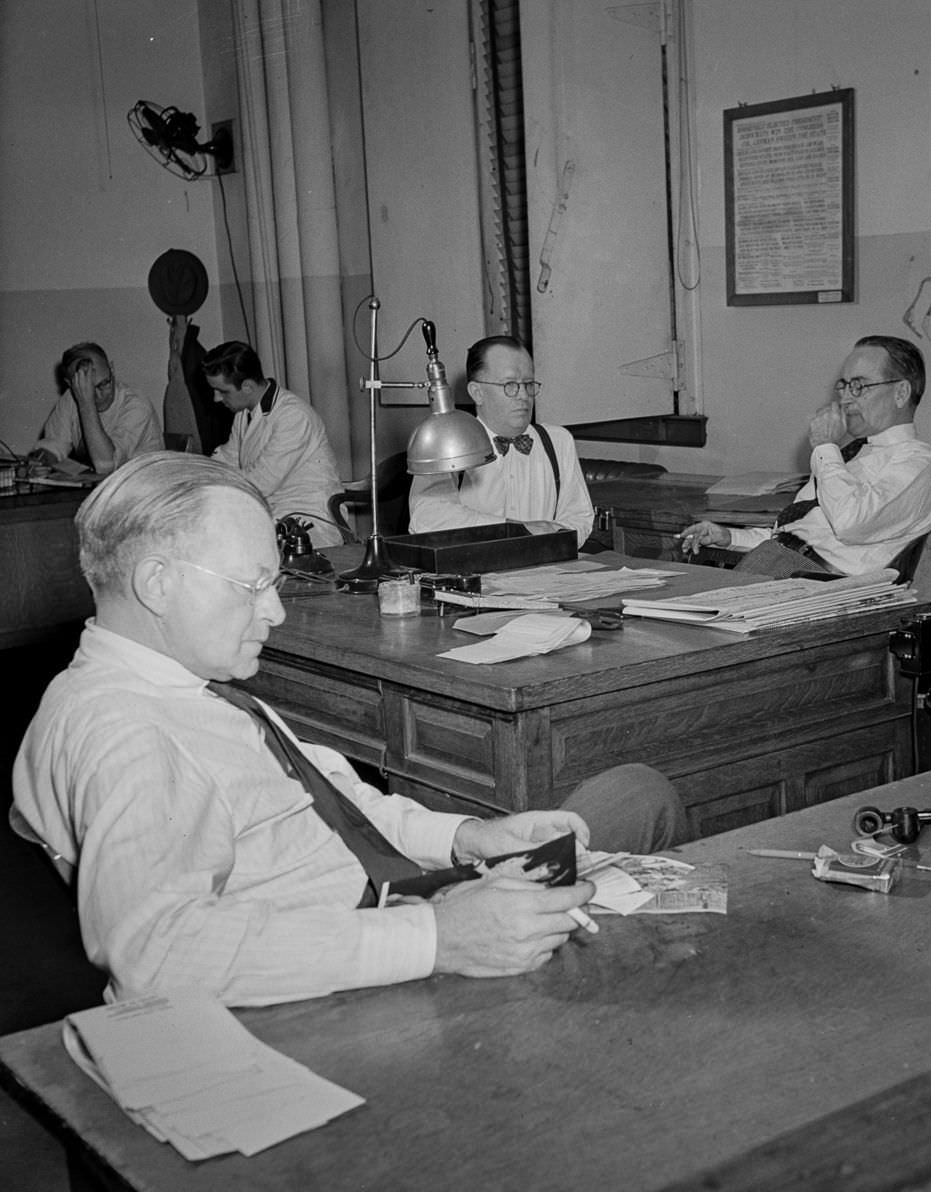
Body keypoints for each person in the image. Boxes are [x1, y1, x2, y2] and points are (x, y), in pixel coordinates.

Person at [10, 453, 684, 1007]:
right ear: (157, 582)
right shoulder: (128, 733)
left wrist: (470, 837)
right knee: (645, 948)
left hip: (396, 900)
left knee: (637, 792)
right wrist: (440, 937)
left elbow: (338, 801)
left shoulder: (180, 686)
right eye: (250, 586)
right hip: (357, 970)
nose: (274, 610)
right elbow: (152, 957)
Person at [679, 336, 931, 579]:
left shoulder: (920, 463)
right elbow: (801, 532)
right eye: (842, 386)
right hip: (780, 564)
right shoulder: (853, 454)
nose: (844, 399)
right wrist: (730, 537)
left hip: (821, 584)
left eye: (859, 386)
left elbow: (850, 524)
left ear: (900, 393)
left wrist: (825, 447)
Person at [408, 335, 595, 546]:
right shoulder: (449, 444)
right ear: (477, 393)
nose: (523, 395)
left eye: (528, 384)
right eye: (510, 385)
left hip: (544, 569)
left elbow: (580, 516)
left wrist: (552, 538)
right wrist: (512, 530)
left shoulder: (558, 441)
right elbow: (427, 518)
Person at [203, 341, 342, 548]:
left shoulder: (293, 416)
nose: (216, 398)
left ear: (248, 387)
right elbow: (227, 458)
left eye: (222, 391)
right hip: (270, 512)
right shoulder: (244, 413)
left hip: (306, 519)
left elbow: (261, 481)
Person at [28, 342, 163, 474]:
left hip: (145, 489)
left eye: (104, 383)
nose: (98, 396)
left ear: (112, 369)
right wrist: (43, 461)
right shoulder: (71, 398)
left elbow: (106, 465)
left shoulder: (136, 405)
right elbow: (54, 445)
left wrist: (86, 403)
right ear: (70, 384)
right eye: (88, 389)